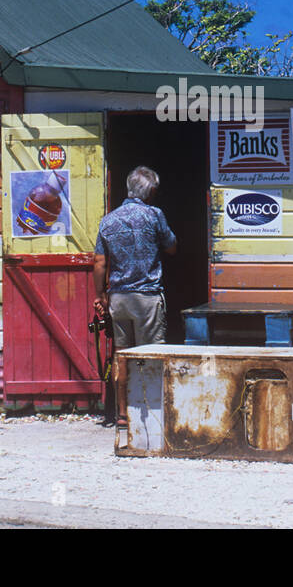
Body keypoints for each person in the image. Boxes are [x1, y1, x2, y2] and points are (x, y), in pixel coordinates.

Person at [93, 166, 177, 427]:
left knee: (122, 356)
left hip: (119, 298)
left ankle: (121, 414)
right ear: (150, 191)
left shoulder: (108, 220)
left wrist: (100, 296)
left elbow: (99, 262)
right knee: (151, 355)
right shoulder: (154, 215)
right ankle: (152, 414)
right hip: (147, 297)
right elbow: (172, 247)